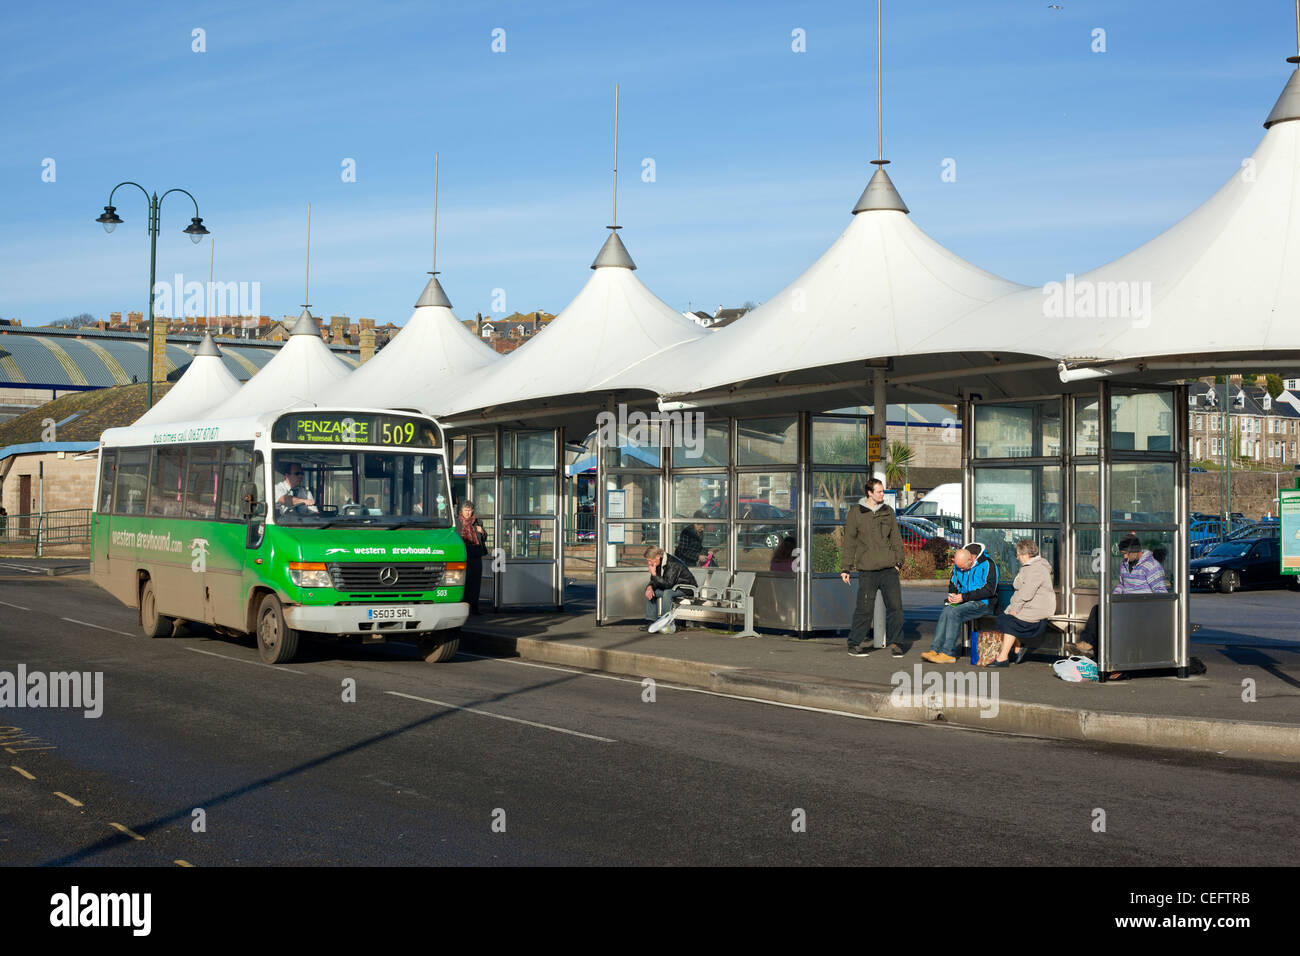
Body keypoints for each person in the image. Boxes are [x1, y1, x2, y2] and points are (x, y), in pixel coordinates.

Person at [1073, 534, 1167, 675]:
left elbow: (1161, 592)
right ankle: (1091, 645)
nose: (1124, 558)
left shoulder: (1152, 566)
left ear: (1134, 551)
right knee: (1099, 609)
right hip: (1125, 605)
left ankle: (1091, 646)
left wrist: (1143, 603)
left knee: (1107, 617)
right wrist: (1112, 599)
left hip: (1141, 608)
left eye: (1125, 554)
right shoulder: (1125, 565)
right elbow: (1122, 585)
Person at [840, 478, 906, 657]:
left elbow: (896, 538)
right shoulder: (856, 513)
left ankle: (896, 644)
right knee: (864, 609)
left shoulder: (888, 511)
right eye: (879, 491)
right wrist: (845, 568)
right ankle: (854, 643)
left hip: (888, 569)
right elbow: (849, 543)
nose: (882, 494)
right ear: (869, 493)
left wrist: (899, 562)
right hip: (867, 570)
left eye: (882, 491)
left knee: (896, 607)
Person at [921, 543, 999, 663]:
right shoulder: (960, 564)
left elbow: (990, 590)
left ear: (971, 559)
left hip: (984, 603)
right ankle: (935, 649)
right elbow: (953, 582)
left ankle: (948, 653)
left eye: (963, 567)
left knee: (954, 612)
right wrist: (952, 594)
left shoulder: (988, 564)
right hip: (965, 600)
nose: (961, 569)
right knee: (947, 610)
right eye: (959, 567)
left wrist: (964, 597)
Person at [984, 538, 1055, 666]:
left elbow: (1026, 593)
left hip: (1036, 609)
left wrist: (1015, 609)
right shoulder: (1029, 567)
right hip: (1029, 606)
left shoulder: (1036, 569)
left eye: (1018, 554)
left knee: (1009, 621)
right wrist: (1013, 609)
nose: (1017, 557)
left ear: (1025, 554)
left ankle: (1003, 658)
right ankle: (1017, 647)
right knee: (1004, 619)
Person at [643, 545, 695, 633]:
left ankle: (664, 622)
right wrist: (649, 587)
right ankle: (651, 622)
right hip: (673, 587)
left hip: (685, 588)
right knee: (652, 592)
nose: (649, 563)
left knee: (667, 593)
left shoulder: (673, 564)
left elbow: (668, 584)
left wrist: (654, 574)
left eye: (650, 560)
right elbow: (654, 581)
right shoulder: (659, 562)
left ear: (658, 557)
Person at [457, 500, 487, 615]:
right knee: (463, 581)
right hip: (463, 555)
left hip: (476, 554)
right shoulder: (457, 522)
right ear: (462, 511)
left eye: (470, 510)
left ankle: (474, 606)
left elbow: (484, 538)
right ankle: (462, 606)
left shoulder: (478, 522)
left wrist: (482, 532)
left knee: (475, 582)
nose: (468, 513)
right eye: (466, 510)